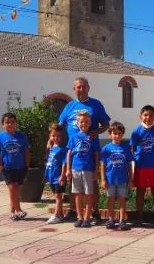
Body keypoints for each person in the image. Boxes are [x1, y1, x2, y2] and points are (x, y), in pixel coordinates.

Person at [59, 77, 110, 224]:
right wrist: (52, 138)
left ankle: (94, 212)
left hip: (89, 152)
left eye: (83, 87)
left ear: (88, 88)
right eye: (78, 87)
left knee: (92, 183)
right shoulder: (69, 106)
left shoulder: (96, 105)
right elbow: (60, 124)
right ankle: (75, 212)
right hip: (73, 151)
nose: (81, 89)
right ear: (73, 89)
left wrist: (98, 131)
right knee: (73, 184)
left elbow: (106, 124)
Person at [131, 105, 154, 228]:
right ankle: (139, 219)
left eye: (151, 115)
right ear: (140, 116)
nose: (148, 117)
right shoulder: (136, 131)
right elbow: (133, 149)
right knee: (140, 192)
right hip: (140, 166)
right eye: (145, 115)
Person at [65, 111, 101, 228]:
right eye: (81, 122)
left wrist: (96, 169)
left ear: (89, 123)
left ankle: (87, 218)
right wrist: (68, 169)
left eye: (86, 121)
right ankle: (79, 217)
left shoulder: (93, 137)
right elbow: (69, 153)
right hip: (75, 168)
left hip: (88, 169)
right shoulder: (73, 137)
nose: (84, 124)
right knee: (78, 194)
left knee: (89, 194)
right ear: (77, 123)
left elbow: (96, 154)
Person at [0, 113, 30, 221]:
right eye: (7, 122)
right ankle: (18, 210)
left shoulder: (21, 136)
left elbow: (26, 151)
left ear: (16, 123)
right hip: (8, 167)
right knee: (12, 188)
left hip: (20, 167)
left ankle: (12, 212)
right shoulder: (0, 137)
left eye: (12, 122)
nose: (10, 124)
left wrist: (27, 165)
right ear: (2, 125)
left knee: (16, 191)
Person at [100, 121, 133, 231]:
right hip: (110, 179)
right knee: (111, 200)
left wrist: (131, 179)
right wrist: (103, 179)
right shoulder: (106, 148)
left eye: (119, 133)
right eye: (114, 133)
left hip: (123, 179)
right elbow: (103, 165)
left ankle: (122, 220)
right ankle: (110, 219)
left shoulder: (126, 148)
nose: (117, 135)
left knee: (122, 200)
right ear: (110, 134)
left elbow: (129, 164)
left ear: (122, 134)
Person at [44, 124, 68, 224]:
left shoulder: (62, 150)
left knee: (58, 197)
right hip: (51, 176)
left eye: (58, 136)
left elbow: (64, 164)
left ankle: (57, 215)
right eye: (53, 135)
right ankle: (61, 214)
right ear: (50, 136)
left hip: (58, 177)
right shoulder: (51, 148)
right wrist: (46, 176)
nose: (56, 138)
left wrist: (62, 176)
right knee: (56, 196)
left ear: (61, 137)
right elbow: (49, 163)